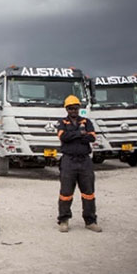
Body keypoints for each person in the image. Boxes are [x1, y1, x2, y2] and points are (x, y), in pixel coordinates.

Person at [56, 95, 102, 233]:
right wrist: (80, 134)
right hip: (68, 161)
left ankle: (90, 221)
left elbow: (92, 137)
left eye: (75, 108)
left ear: (79, 108)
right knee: (66, 193)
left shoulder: (86, 121)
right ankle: (63, 220)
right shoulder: (62, 122)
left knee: (88, 193)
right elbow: (63, 137)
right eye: (70, 108)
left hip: (84, 161)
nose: (73, 111)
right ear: (66, 109)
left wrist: (75, 135)